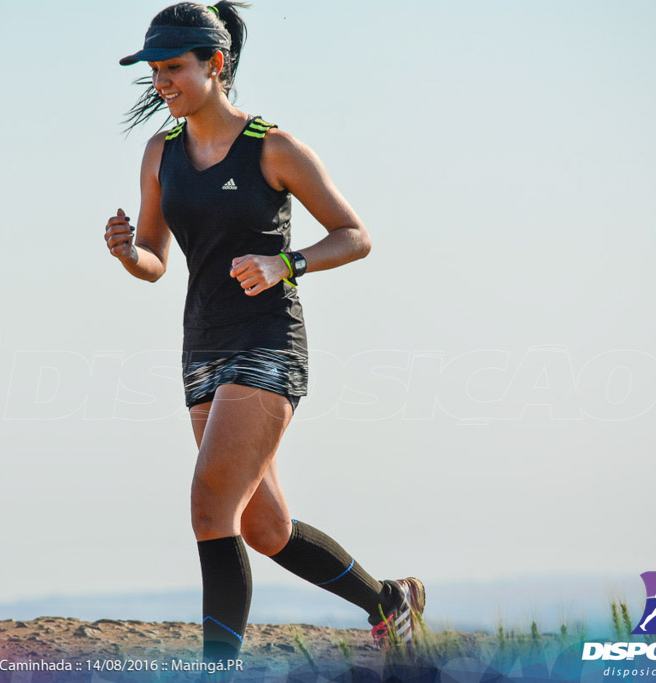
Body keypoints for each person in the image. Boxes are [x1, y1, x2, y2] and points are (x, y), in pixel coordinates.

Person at [103, 1, 425, 664]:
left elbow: (355, 235)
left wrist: (287, 262)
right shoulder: (159, 153)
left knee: (208, 506)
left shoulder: (273, 147)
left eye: (173, 68)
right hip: (202, 346)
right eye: (155, 71)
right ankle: (389, 601)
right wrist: (126, 253)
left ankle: (216, 671)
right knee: (265, 527)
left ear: (214, 64)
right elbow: (155, 258)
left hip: (269, 343)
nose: (162, 82)